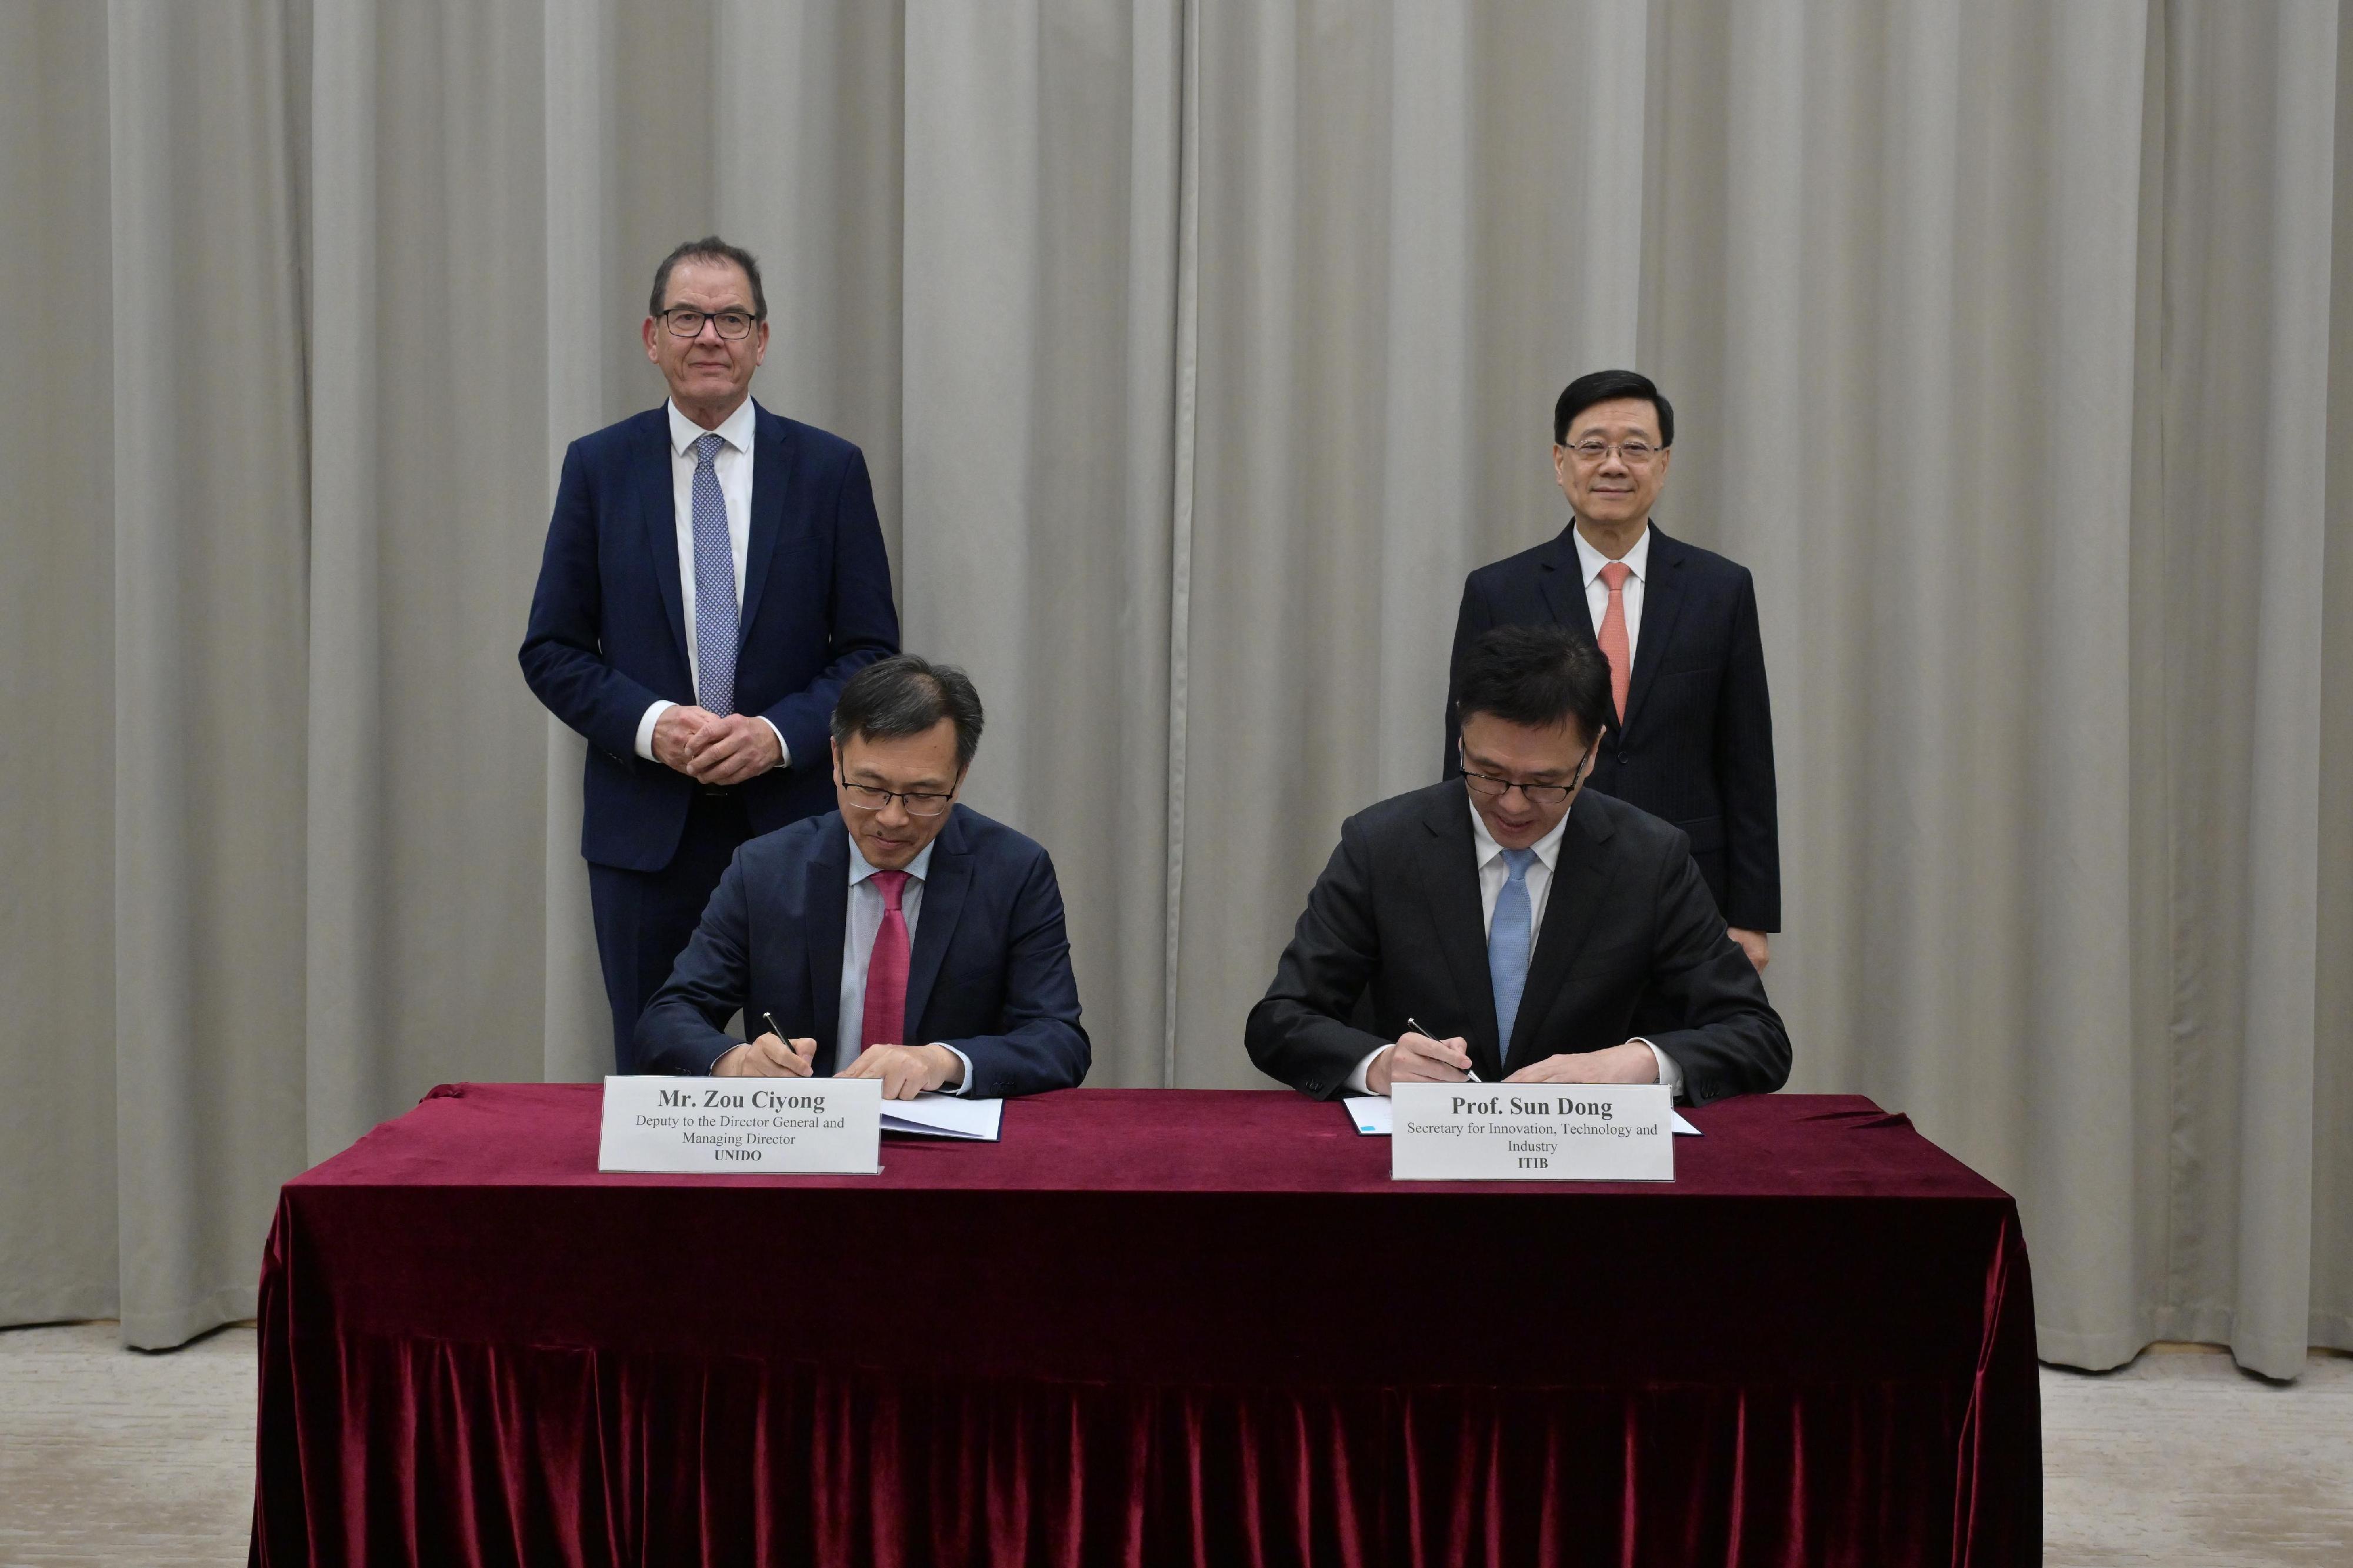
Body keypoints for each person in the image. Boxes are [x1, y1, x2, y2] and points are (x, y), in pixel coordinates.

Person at [521, 235, 899, 1070]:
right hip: (645, 834)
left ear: (762, 341)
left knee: (800, 1076)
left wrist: (775, 734)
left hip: (794, 828)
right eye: (687, 317)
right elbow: (551, 649)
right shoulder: (599, 468)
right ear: (652, 338)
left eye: (732, 318)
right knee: (657, 1071)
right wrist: (656, 726)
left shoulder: (829, 470)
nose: (709, 337)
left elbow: (872, 652)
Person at [1252, 623, 1788, 1103]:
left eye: (1545, 782)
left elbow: (1757, 1036)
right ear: (1462, 738)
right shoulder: (1382, 844)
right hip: (1416, 1175)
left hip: (1594, 1180)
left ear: (1593, 753)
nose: (1511, 803)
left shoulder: (1649, 859)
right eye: (1486, 773)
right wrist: (1381, 1067)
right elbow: (1282, 1019)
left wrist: (1640, 1063)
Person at [1442, 369, 1779, 970]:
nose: (1613, 465)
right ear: (1559, 460)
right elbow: (1465, 755)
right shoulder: (1500, 590)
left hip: (1687, 884)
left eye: (1635, 448)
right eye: (1593, 446)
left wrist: (1749, 916)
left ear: (1665, 462)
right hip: (1538, 873)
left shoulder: (1720, 589)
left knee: (1672, 1058)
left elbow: (1746, 760)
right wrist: (1463, 898)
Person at [636, 655, 1089, 1099]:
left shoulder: (1014, 872)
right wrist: (737, 1062)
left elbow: (1058, 1039)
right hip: (804, 1147)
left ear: (961, 775)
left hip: (948, 1149)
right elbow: (668, 1018)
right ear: (836, 760)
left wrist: (942, 1062)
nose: (892, 818)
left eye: (924, 794)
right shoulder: (766, 869)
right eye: (870, 788)